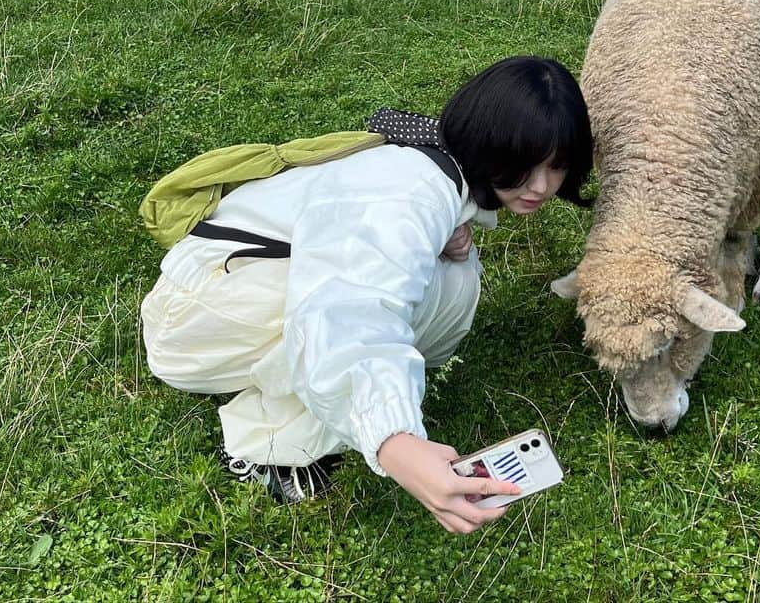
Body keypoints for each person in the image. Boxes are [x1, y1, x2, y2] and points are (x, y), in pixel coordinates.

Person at [140, 56, 592, 533]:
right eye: (525, 164)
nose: (541, 186)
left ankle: (313, 396)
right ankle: (272, 447)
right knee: (409, 293)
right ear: (491, 141)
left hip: (225, 291)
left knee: (450, 275)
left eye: (557, 167)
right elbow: (348, 307)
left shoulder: (433, 172)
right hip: (194, 318)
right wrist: (397, 444)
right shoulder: (412, 190)